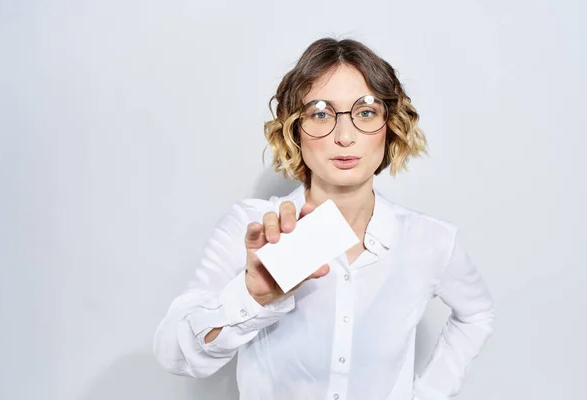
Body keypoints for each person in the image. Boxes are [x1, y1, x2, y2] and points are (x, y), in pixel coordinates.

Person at [153, 37, 495, 400]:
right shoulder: (251, 227)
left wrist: (430, 393)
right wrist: (251, 298)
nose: (344, 137)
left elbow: (477, 314)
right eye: (320, 113)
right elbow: (173, 354)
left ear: (390, 124)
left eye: (365, 112)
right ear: (294, 128)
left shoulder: (431, 240)